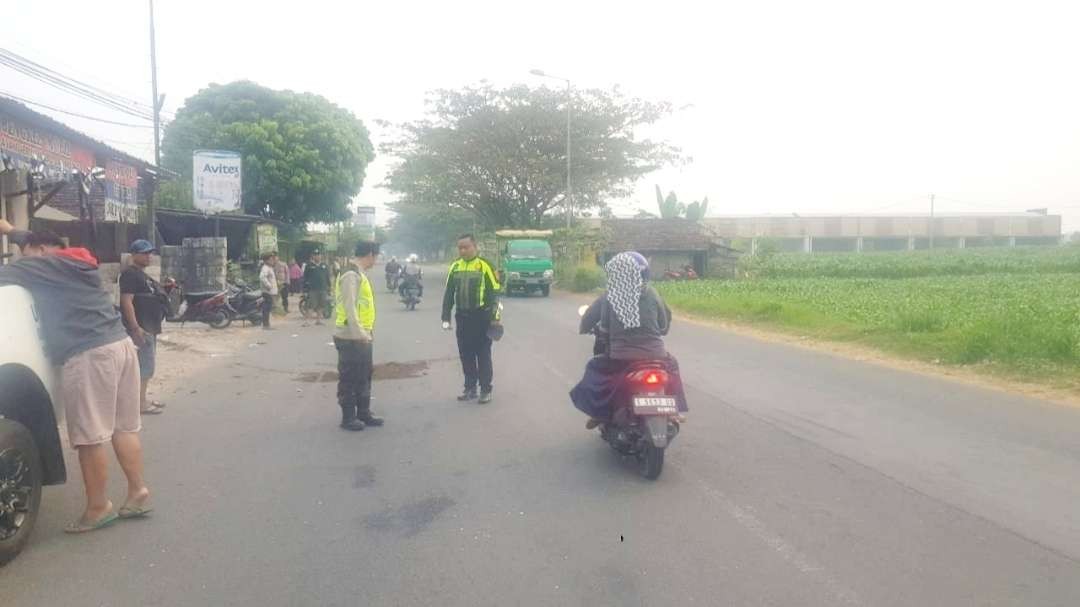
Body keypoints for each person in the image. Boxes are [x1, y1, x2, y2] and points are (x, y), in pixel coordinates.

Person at [0, 238, 152, 532]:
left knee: (90, 436)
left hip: (89, 353)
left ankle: (98, 507)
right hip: (120, 346)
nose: (23, 258)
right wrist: (10, 230)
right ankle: (137, 492)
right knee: (124, 427)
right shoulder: (80, 263)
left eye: (26, 252)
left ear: (42, 249)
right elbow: (31, 238)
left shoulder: (43, 266)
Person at [571, 251, 689, 428]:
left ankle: (599, 414)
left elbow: (604, 328)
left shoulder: (610, 296)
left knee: (595, 368)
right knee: (672, 367)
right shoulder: (653, 293)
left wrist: (589, 329)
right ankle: (674, 410)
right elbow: (664, 325)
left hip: (621, 359)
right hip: (656, 355)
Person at [441, 234, 501, 403]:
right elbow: (449, 294)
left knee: (483, 354)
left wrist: (495, 318)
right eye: (460, 247)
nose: (463, 250)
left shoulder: (485, 266)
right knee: (465, 354)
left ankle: (485, 390)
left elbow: (494, 293)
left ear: (475, 247)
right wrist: (445, 317)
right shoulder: (455, 267)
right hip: (462, 318)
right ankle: (470, 388)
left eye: (466, 247)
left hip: (481, 317)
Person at [333, 241, 385, 431]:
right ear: (370, 254)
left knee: (364, 374)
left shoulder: (359, 274)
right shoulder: (350, 275)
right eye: (376, 256)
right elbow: (349, 308)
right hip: (350, 336)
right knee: (350, 377)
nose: (376, 261)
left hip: (362, 334)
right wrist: (359, 334)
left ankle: (364, 412)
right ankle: (348, 417)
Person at [119, 239, 168, 416]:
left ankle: (142, 399)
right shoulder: (130, 274)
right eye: (145, 253)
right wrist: (135, 327)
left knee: (146, 367)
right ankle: (140, 404)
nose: (149, 256)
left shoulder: (141, 274)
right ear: (134, 255)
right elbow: (126, 301)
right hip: (142, 328)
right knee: (144, 367)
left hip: (150, 326)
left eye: (150, 253)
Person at [303, 251, 331, 325]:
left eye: (318, 255)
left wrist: (329, 288)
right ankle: (307, 321)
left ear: (321, 256)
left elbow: (328, 277)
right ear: (313, 256)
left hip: (323, 288)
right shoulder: (309, 266)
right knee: (311, 305)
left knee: (321, 305)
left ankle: (318, 320)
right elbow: (305, 278)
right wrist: (305, 289)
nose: (317, 257)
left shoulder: (324, 265)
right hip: (313, 289)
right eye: (315, 255)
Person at [259, 252, 278, 330]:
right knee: (266, 309)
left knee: (268, 308)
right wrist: (268, 285)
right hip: (267, 292)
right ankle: (266, 325)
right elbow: (262, 277)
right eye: (270, 259)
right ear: (266, 260)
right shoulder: (265, 268)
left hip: (270, 292)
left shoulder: (269, 268)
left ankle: (267, 324)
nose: (272, 260)